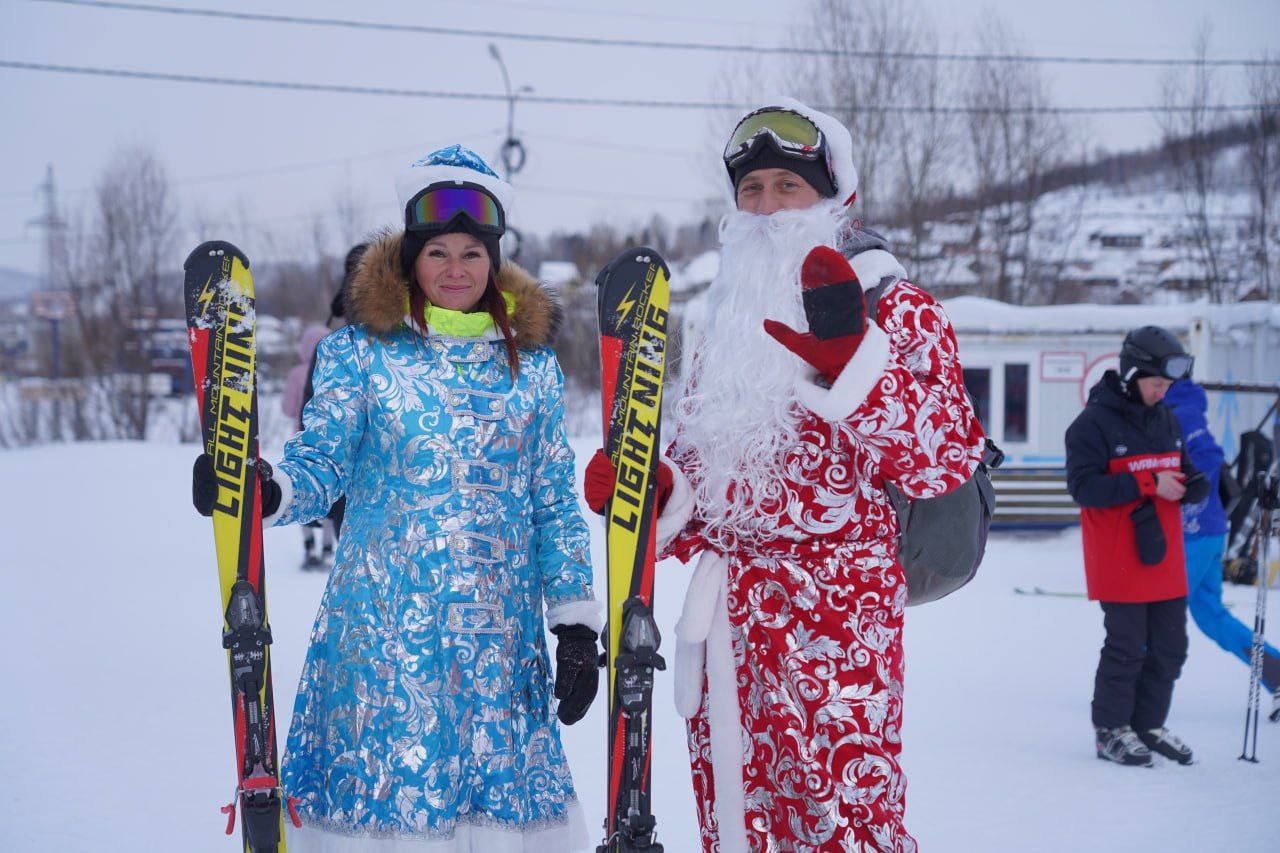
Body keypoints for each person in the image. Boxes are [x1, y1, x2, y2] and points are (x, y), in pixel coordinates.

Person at [585, 97, 983, 851]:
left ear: (835, 199)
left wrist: (855, 369)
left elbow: (945, 454)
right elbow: (712, 480)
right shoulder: (729, 322)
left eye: (788, 188)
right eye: (752, 188)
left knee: (847, 823)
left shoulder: (895, 308)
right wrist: (662, 492)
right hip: (732, 626)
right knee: (739, 820)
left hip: (838, 627)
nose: (766, 207)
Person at [193, 145, 601, 850]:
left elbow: (553, 502)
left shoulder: (530, 370)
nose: (454, 269)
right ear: (410, 257)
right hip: (383, 642)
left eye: (471, 252)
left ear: (494, 259)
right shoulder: (361, 352)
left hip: (498, 647)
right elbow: (321, 461)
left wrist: (572, 622)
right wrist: (266, 490)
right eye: (437, 251)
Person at [1065, 326, 1210, 767]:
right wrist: (1149, 483)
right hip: (1118, 557)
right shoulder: (1091, 424)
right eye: (1155, 383)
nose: (1161, 392)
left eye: (1167, 386)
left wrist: (1194, 485)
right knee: (1127, 646)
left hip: (1163, 555)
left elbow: (1179, 468)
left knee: (1170, 646)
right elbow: (1083, 488)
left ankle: (1147, 723)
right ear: (1131, 376)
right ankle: (1110, 730)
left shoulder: (1165, 418)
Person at [1164, 377, 1280, 720]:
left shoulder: (1180, 410)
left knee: (1160, 612)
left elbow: (1210, 458)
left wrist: (1188, 500)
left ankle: (1130, 691)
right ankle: (1276, 673)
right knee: (1211, 616)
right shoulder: (1183, 406)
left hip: (1195, 534)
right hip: (1208, 532)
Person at [280, 243, 367, 569]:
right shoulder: (339, 353)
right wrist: (274, 494)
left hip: (312, 448)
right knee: (334, 503)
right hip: (328, 462)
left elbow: (294, 411)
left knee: (333, 501)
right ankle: (327, 547)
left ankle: (312, 546)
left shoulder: (324, 356)